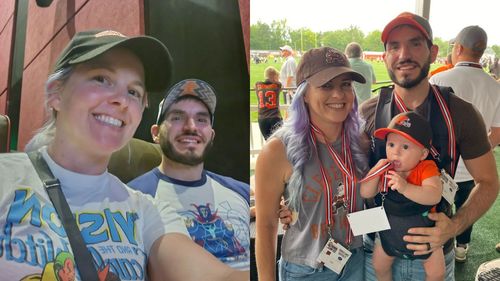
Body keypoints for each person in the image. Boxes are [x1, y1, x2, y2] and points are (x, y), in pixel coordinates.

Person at [0, 29, 247, 281]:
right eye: (101, 78)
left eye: (134, 92)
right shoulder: (6, 177)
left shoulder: (147, 209)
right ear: (56, 93)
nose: (122, 100)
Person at [358, 12, 499, 280]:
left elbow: (489, 181)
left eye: (415, 43)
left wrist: (454, 226)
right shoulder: (368, 113)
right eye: (394, 46)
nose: (403, 54)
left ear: (433, 52)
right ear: (385, 56)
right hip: (378, 252)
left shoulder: (461, 113)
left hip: (433, 254)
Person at [255, 46, 368, 281]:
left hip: (355, 260)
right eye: (326, 85)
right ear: (304, 93)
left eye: (345, 84)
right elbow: (265, 226)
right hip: (306, 270)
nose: (338, 94)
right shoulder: (277, 150)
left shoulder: (360, 142)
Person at [128, 78, 250, 270]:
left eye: (201, 119)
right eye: (177, 117)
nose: (191, 127)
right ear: (156, 133)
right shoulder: (132, 200)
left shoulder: (239, 190)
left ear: (212, 135)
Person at [429, 25, 500, 262]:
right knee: (467, 207)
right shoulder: (495, 86)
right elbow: (497, 134)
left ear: (458, 48)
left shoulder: (439, 78)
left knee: (439, 211)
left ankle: (442, 249)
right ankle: (462, 246)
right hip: (474, 169)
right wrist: (475, 155)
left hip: (440, 167)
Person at [360, 111, 444, 281]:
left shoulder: (425, 168)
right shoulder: (386, 170)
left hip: (424, 239)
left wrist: (405, 188)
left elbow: (434, 195)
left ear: (422, 154)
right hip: (389, 237)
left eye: (405, 147)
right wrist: (375, 173)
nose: (395, 153)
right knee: (379, 265)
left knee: (437, 273)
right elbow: (366, 193)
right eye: (391, 145)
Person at [255, 66, 283, 139]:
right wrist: (276, 80)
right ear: (274, 78)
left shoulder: (258, 85)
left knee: (268, 142)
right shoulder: (277, 85)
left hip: (262, 119)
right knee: (279, 141)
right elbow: (279, 84)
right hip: (274, 117)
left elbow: (258, 83)